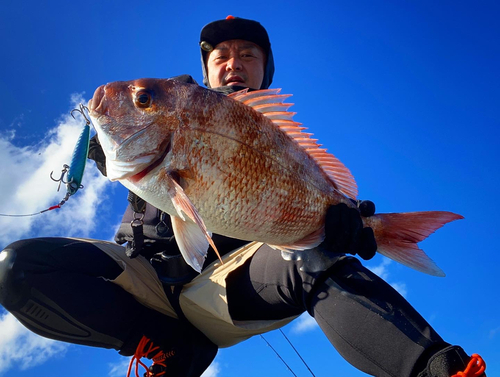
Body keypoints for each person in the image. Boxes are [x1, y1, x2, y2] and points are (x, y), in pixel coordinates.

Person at [0, 16, 486, 377]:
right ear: (206, 70)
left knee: (316, 257)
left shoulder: (273, 135)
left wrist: (348, 223)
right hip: (145, 284)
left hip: (224, 291)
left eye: (249, 55)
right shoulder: (179, 113)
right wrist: (113, 146)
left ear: (263, 70)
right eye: (221, 55)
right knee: (17, 267)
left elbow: (301, 196)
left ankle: (438, 371)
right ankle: (170, 345)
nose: (234, 63)